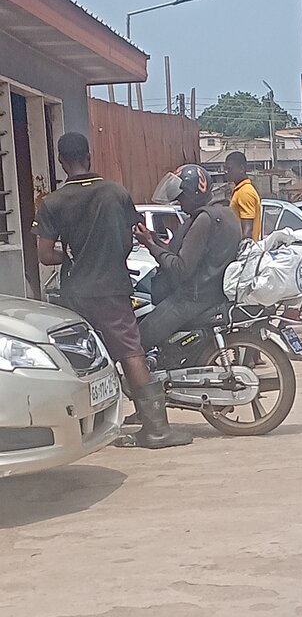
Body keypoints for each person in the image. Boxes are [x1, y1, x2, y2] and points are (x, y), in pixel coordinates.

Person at [33, 132, 191, 450]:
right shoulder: (116, 193)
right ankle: (156, 429)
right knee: (131, 352)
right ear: (90, 156)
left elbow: (46, 255)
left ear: (62, 161)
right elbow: (130, 238)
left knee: (78, 357)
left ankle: (79, 429)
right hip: (112, 288)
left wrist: (74, 254)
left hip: (75, 292)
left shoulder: (53, 202)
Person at [135, 164, 241, 349]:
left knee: (138, 342)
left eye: (181, 197)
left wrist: (151, 246)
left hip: (193, 298)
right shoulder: (226, 213)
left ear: (194, 193)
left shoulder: (204, 219)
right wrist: (154, 239)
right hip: (213, 294)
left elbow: (180, 267)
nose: (179, 203)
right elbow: (190, 253)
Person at [225, 151, 262, 239]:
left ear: (241, 169)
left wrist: (241, 250)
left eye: (229, 169)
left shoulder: (245, 192)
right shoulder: (240, 190)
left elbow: (247, 230)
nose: (226, 172)